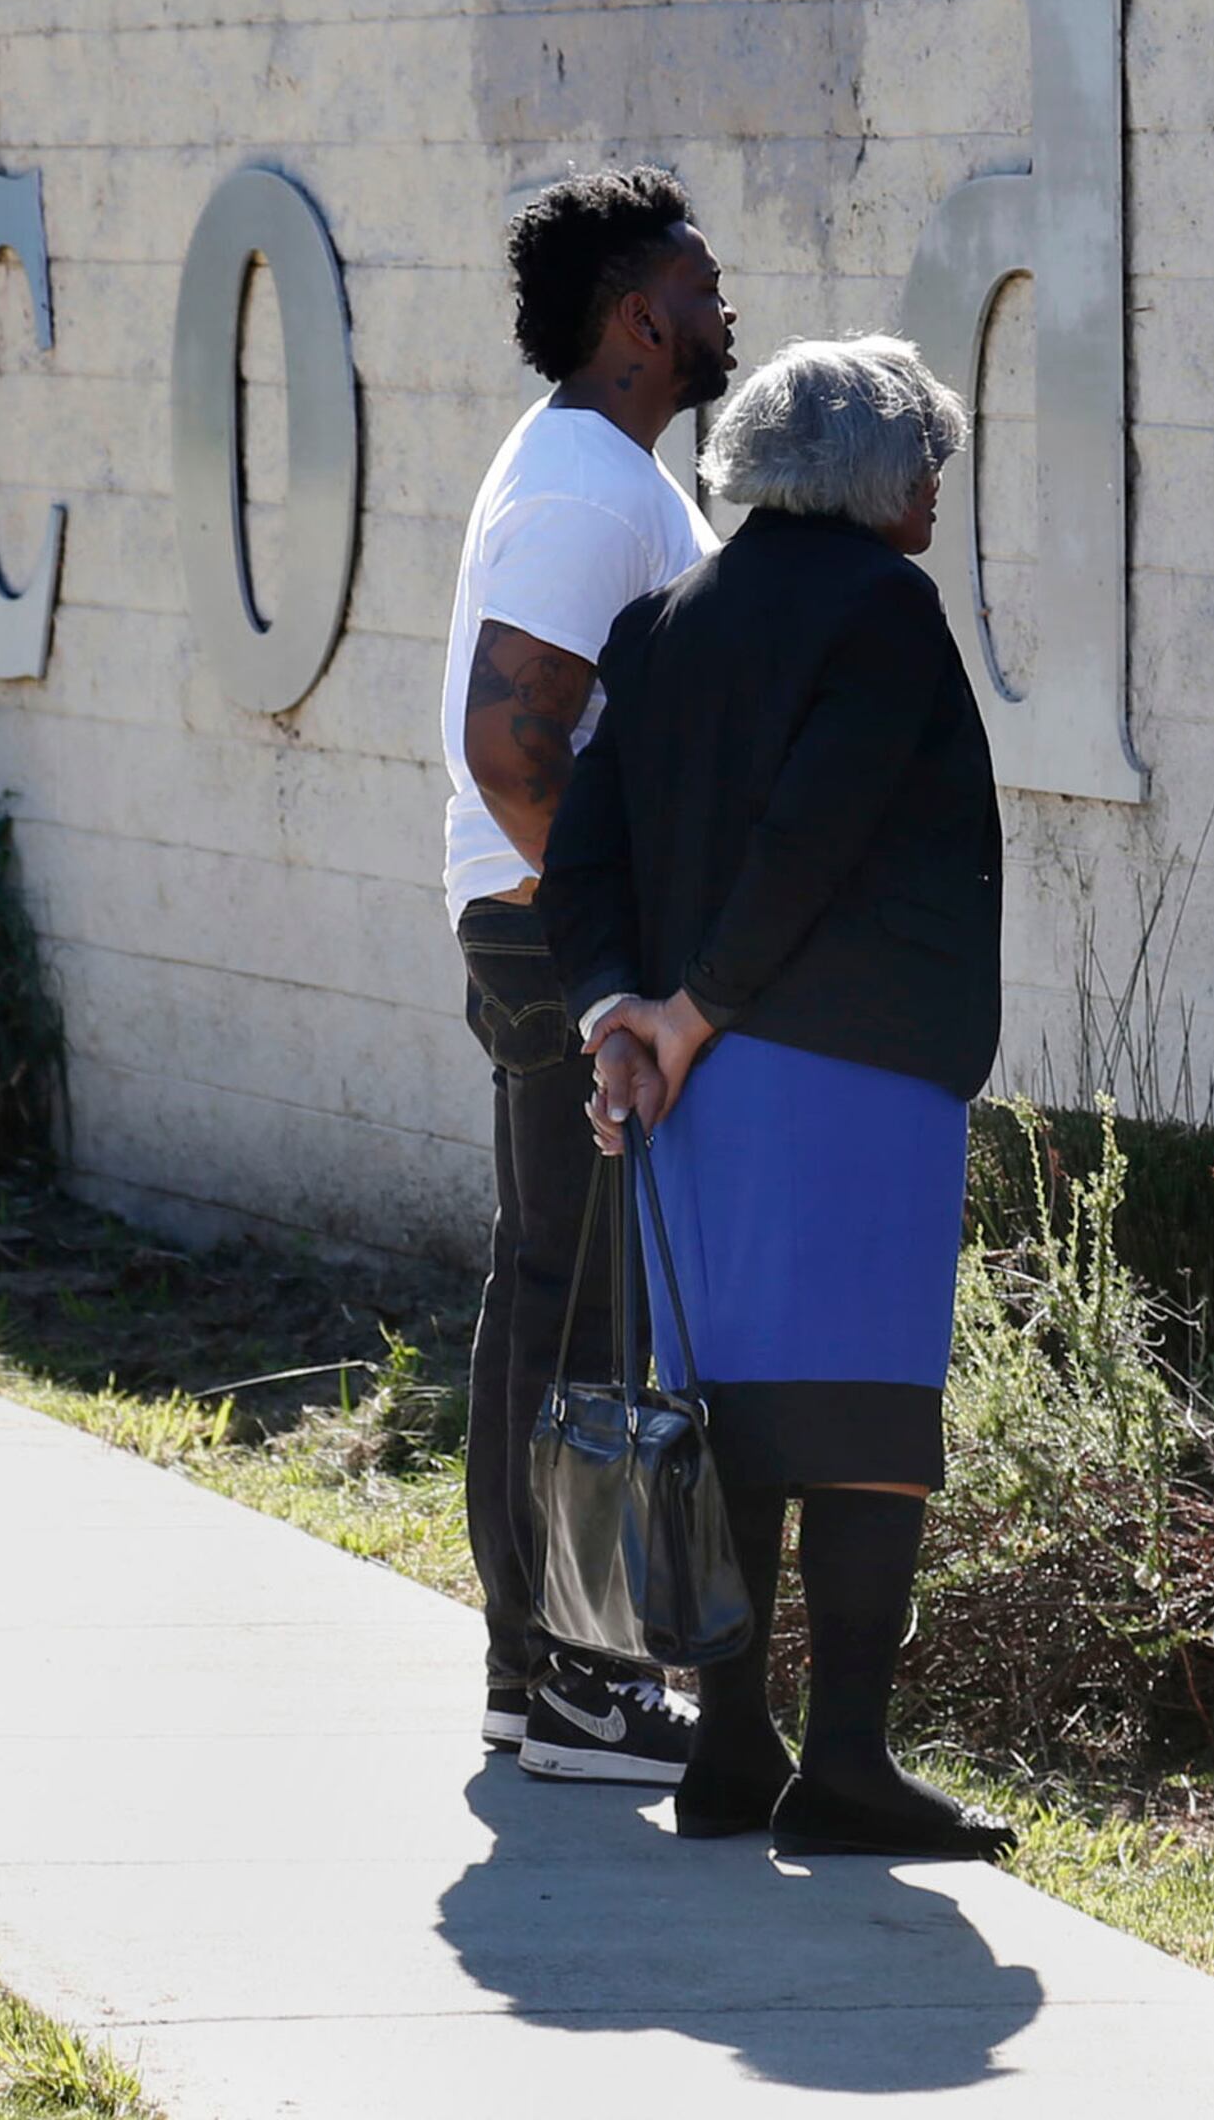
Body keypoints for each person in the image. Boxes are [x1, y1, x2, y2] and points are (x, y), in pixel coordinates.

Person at [542, 335, 1015, 1861]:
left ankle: (734, 1756)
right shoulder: (887, 609)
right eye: (928, 457)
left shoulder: (659, 625)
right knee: (869, 1421)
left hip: (701, 1092)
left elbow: (585, 848)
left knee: (730, 1420)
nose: (939, 486)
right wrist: (692, 1006)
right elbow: (821, 830)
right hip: (851, 1073)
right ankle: (852, 1765)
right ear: (875, 474)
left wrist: (626, 1015)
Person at [441, 166, 734, 1786]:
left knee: (561, 1293)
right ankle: (566, 1677)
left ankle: (535, 1674)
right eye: (702, 284)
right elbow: (511, 742)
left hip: (557, 932)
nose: (722, 309)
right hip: (561, 939)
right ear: (639, 317)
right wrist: (615, 970)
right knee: (571, 1307)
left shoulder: (597, 468)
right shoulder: (582, 482)